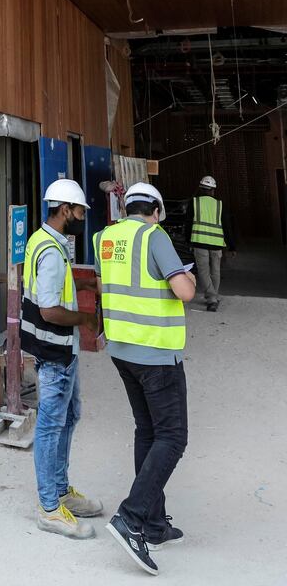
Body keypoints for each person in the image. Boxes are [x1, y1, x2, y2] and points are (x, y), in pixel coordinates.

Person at [97, 183, 196, 577]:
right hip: (156, 352)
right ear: (155, 209)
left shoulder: (106, 236)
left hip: (123, 350)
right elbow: (184, 290)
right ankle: (132, 517)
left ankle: (154, 524)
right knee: (172, 436)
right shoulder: (153, 236)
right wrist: (183, 276)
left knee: (147, 431)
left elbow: (110, 286)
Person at [21, 179, 103, 540]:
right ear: (65, 209)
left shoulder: (44, 239)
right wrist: (85, 320)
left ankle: (60, 489)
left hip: (57, 350)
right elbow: (50, 310)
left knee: (70, 415)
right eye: (80, 210)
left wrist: (84, 286)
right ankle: (49, 508)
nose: (83, 216)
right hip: (54, 350)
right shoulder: (52, 251)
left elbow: (54, 283)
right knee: (52, 425)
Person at [191, 175, 235, 312]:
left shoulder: (194, 203)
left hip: (199, 242)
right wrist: (232, 246)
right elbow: (227, 226)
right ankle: (213, 298)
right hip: (216, 243)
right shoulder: (220, 205)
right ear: (213, 190)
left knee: (203, 271)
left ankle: (212, 298)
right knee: (215, 271)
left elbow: (187, 225)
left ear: (201, 189)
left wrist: (188, 241)